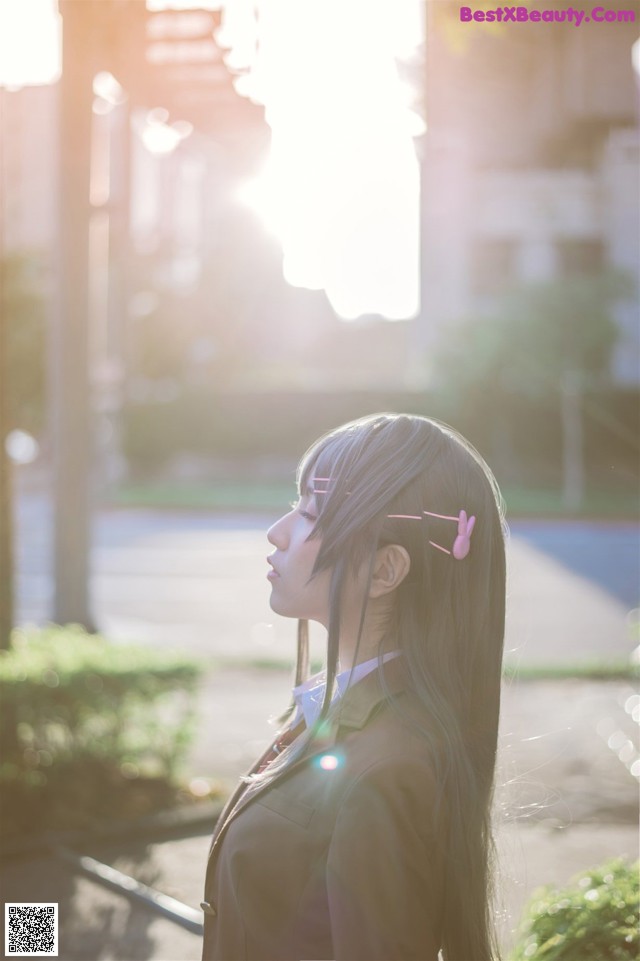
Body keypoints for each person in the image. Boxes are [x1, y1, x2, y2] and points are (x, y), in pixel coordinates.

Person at [201, 412, 507, 961]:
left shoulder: (388, 770)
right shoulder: (334, 707)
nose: (277, 532)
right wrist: (26, 936)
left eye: (309, 514)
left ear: (386, 570)